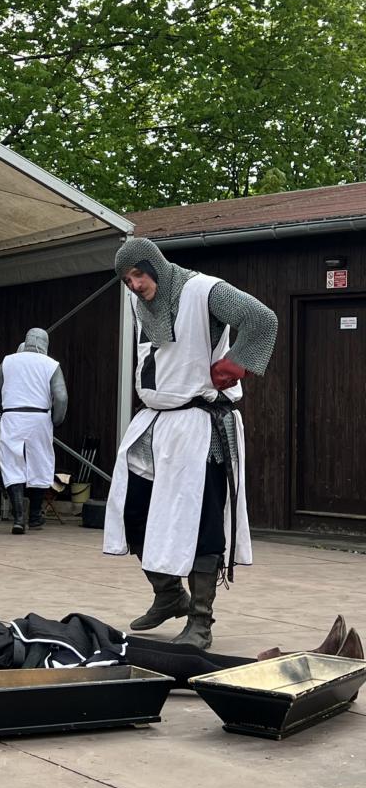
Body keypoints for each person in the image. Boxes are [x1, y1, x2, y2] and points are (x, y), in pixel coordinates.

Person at [103, 238, 279, 650]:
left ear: (155, 266)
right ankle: (169, 594)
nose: (134, 285)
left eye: (138, 274)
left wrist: (235, 365)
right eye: (127, 280)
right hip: (155, 423)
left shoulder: (203, 290)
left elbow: (262, 319)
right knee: (132, 512)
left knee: (203, 524)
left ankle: (200, 621)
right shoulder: (140, 303)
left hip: (202, 425)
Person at [0, 613, 363, 713]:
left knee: (185, 658)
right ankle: (301, 667)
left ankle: (292, 661)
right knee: (187, 665)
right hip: (73, 656)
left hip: (74, 636)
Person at [0, 328, 68, 534]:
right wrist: (56, 420)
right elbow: (61, 397)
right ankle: (35, 517)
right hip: (39, 418)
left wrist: (4, 409)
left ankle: (18, 518)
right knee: (40, 463)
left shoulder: (9, 361)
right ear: (45, 343)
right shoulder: (51, 364)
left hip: (12, 417)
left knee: (12, 464)